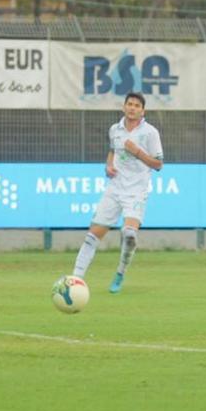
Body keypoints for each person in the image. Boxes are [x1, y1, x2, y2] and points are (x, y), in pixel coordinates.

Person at [72, 92, 163, 293]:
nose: (132, 108)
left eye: (137, 105)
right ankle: (75, 280)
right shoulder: (115, 129)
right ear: (124, 107)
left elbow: (158, 164)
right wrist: (108, 166)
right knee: (91, 236)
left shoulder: (150, 133)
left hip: (136, 191)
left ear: (142, 111)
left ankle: (120, 273)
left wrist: (137, 152)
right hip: (114, 189)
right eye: (129, 104)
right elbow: (113, 151)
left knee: (129, 234)